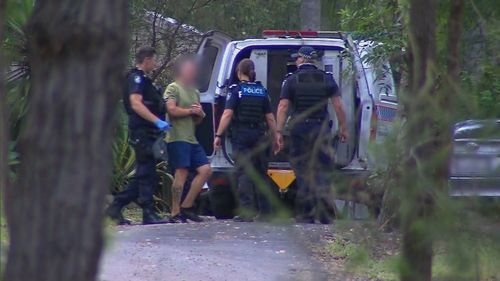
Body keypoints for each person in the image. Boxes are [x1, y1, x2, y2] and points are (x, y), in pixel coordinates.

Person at [276, 46, 348, 224]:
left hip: (300, 130)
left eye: (297, 58)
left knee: (302, 170)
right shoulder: (327, 79)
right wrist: (343, 127)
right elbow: (338, 105)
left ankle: (306, 214)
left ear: (301, 59)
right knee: (322, 170)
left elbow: (283, 107)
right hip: (321, 129)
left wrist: (278, 131)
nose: (296, 61)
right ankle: (324, 215)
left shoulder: (291, 80)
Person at [107, 46, 171, 225]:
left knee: (144, 173)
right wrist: (156, 121)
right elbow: (136, 104)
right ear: (147, 59)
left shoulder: (144, 80)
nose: (155, 63)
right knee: (146, 173)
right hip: (142, 132)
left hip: (148, 132)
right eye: (154, 60)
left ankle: (114, 209)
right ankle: (148, 213)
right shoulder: (136, 78)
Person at [214, 59, 279, 222]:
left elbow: (227, 114)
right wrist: (277, 136)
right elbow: (270, 118)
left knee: (244, 173)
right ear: (252, 72)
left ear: (238, 73)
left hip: (242, 135)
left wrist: (218, 135)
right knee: (261, 173)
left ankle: (247, 211)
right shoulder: (261, 90)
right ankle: (266, 212)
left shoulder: (236, 90)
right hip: (259, 135)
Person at [165, 55, 211, 223]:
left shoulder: (195, 91)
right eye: (190, 69)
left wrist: (199, 113)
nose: (193, 72)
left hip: (191, 138)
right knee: (181, 172)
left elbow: (198, 120)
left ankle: (187, 206)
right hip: (177, 137)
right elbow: (171, 110)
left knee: (205, 170)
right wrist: (190, 111)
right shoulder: (173, 88)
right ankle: (175, 212)